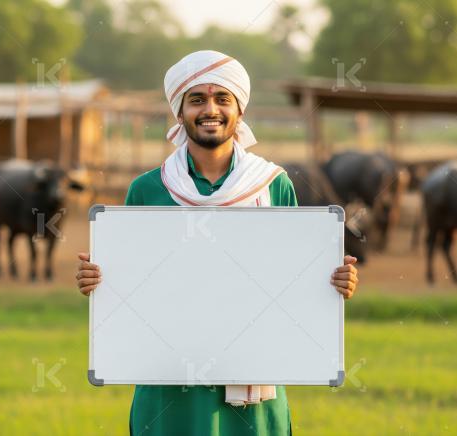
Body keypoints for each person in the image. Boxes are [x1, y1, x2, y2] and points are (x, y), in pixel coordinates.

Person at [75, 50, 358, 436]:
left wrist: (335, 283)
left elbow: (294, 278)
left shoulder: (274, 186)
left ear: (239, 110)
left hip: (253, 390)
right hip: (167, 387)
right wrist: (99, 281)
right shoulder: (146, 189)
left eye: (222, 98)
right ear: (179, 112)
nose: (211, 109)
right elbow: (131, 287)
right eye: (197, 99)